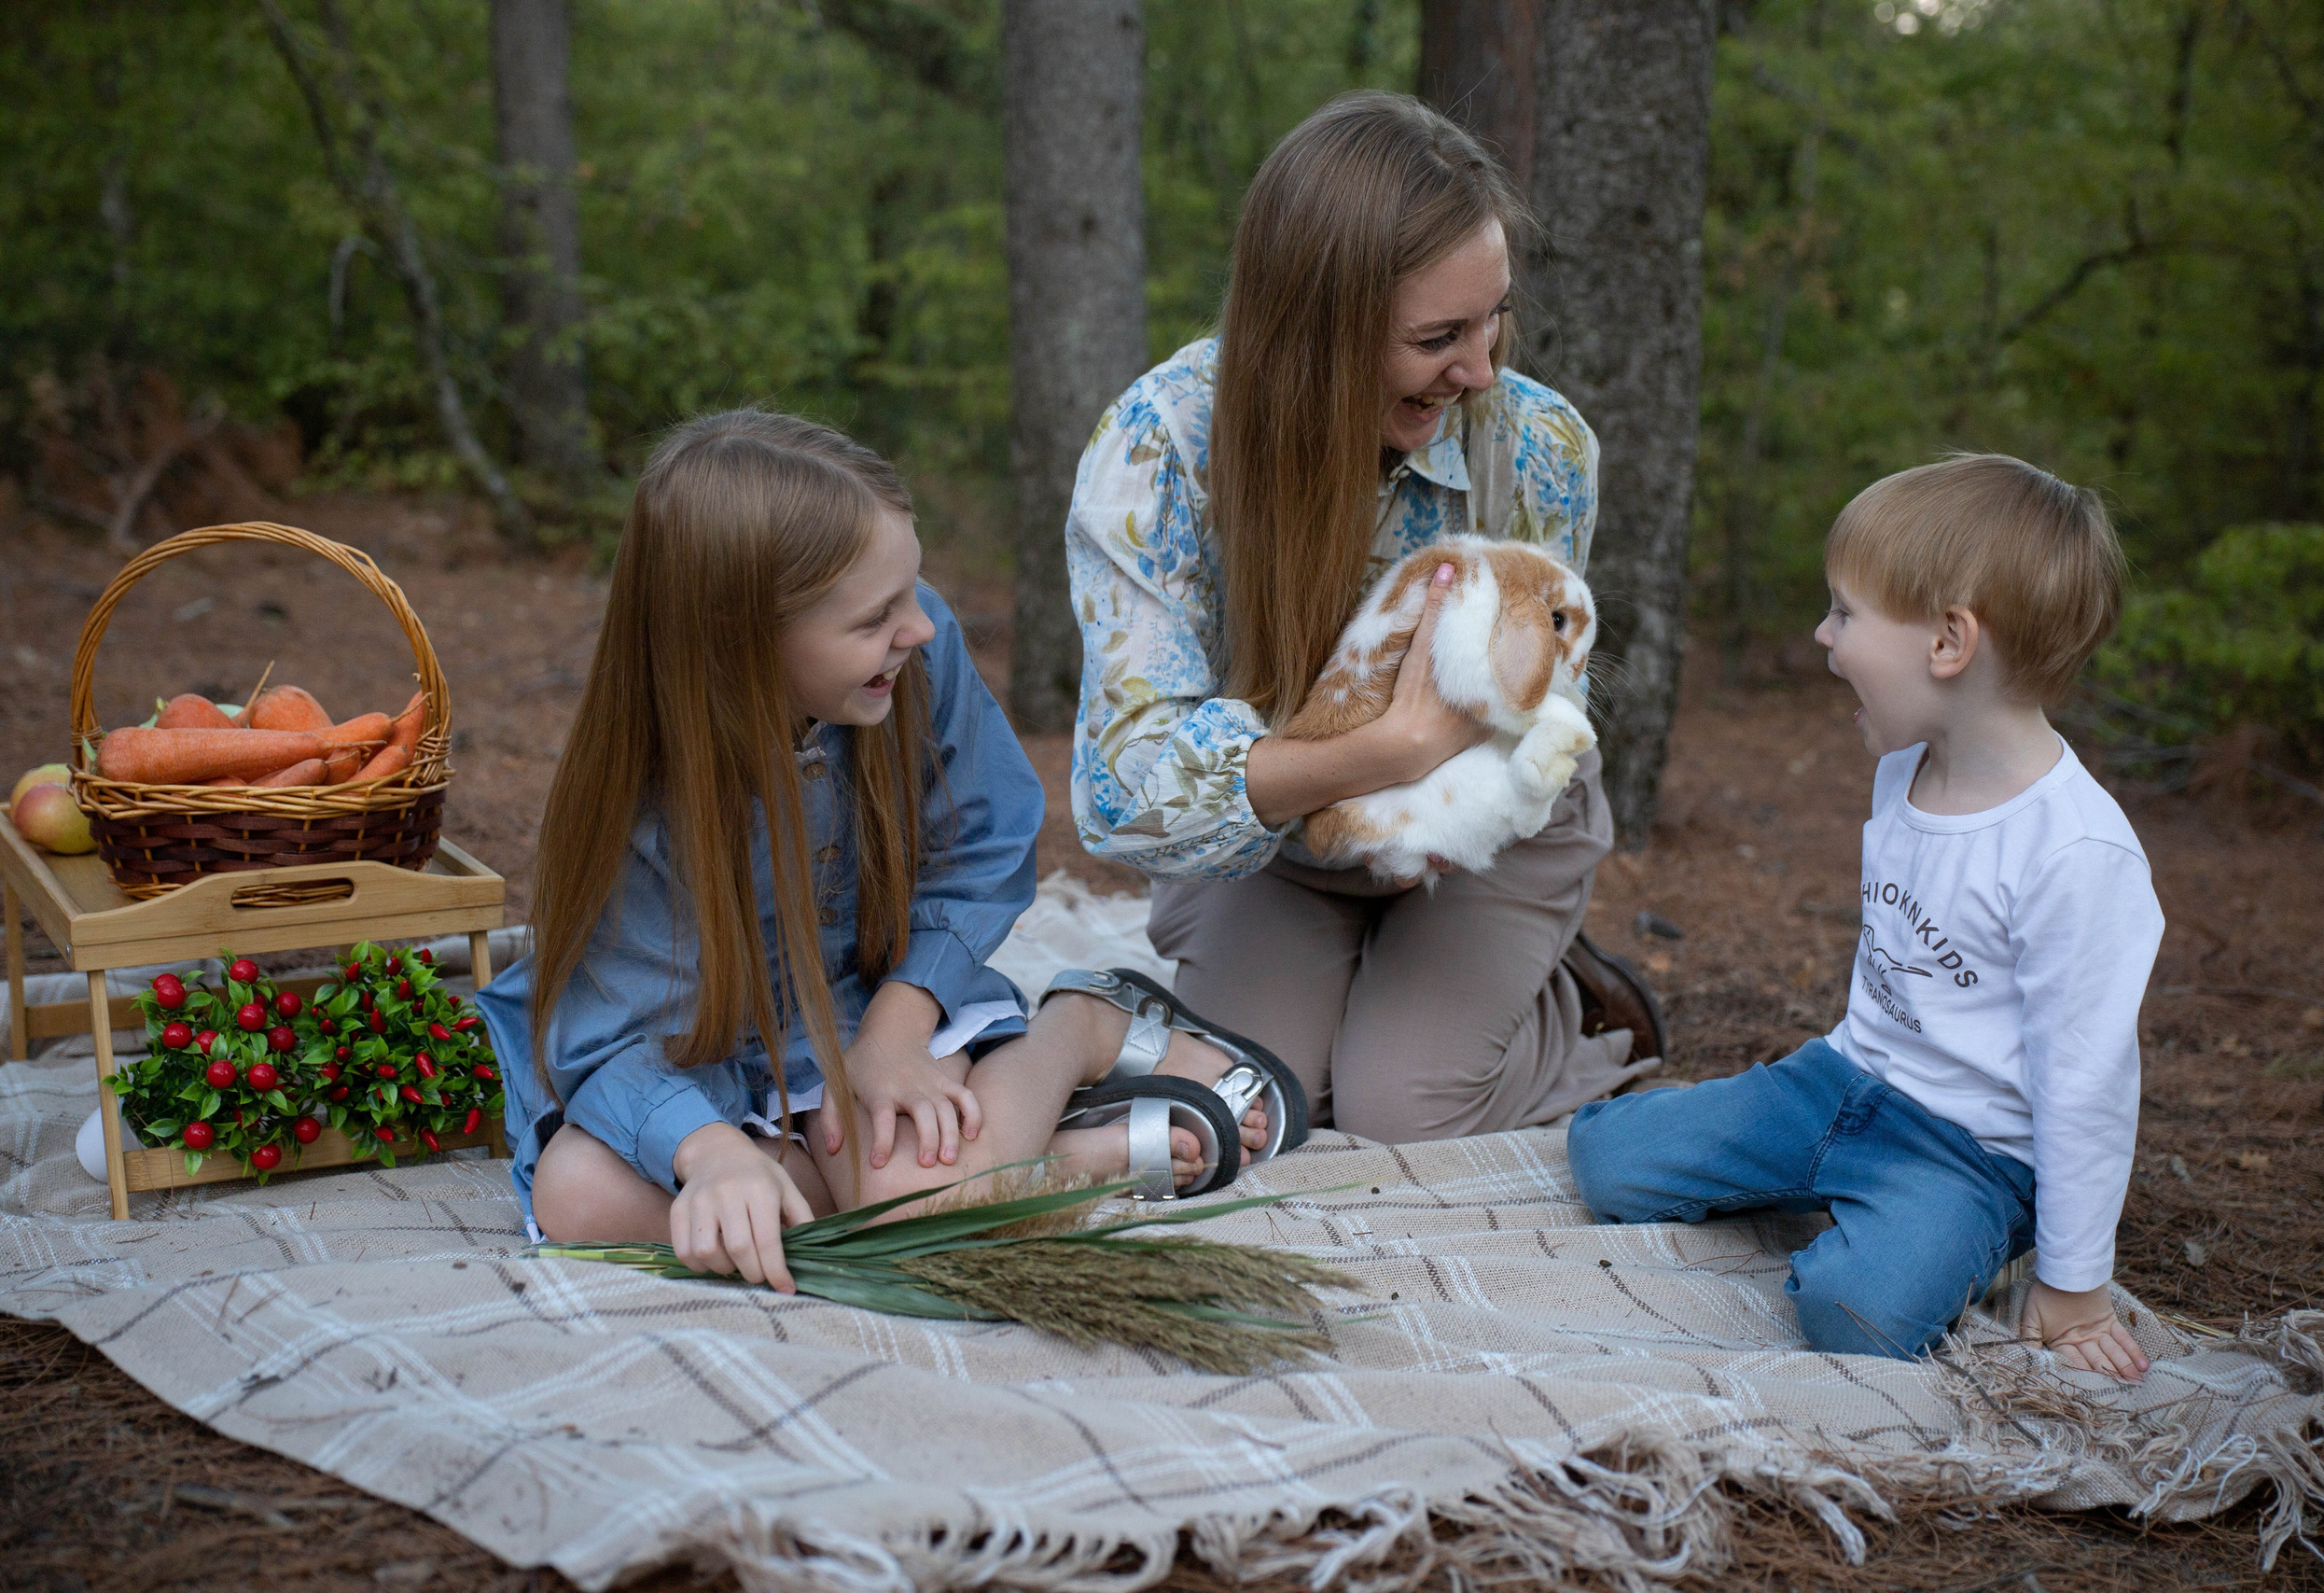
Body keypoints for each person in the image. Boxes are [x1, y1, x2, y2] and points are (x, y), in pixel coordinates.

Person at [480, 411, 1286, 1293]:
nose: (922, 629)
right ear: (743, 643)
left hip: (881, 999)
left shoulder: (905, 657)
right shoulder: (637, 799)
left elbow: (987, 838)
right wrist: (710, 1154)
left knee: (899, 1200)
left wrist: (897, 1037)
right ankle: (1055, 1161)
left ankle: (1078, 1030)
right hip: (704, 1066)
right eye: (876, 616)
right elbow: (605, 1039)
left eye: (913, 589)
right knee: (578, 1198)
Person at [1065, 91, 1664, 1146]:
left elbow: (1535, 697)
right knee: (1267, 1105)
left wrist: (1439, 780)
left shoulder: (1538, 448)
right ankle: (1365, 989)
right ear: (1314, 328)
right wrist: (1390, 749)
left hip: (1483, 819)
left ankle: (1582, 1018)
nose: (1481, 370)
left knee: (1405, 1107)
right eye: (1437, 337)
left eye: (1494, 319)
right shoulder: (1160, 451)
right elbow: (1124, 793)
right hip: (1281, 836)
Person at [1569, 455, 2163, 1376]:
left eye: (1844, 613)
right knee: (1607, 1163)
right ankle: (1825, 1186)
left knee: (1859, 1314)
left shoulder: (2074, 857)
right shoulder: (1904, 770)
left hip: (1968, 1155)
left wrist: (2075, 1284)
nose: (1822, 635)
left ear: (1947, 644)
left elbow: (2086, 1084)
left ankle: (1915, 1235)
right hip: (1839, 1082)